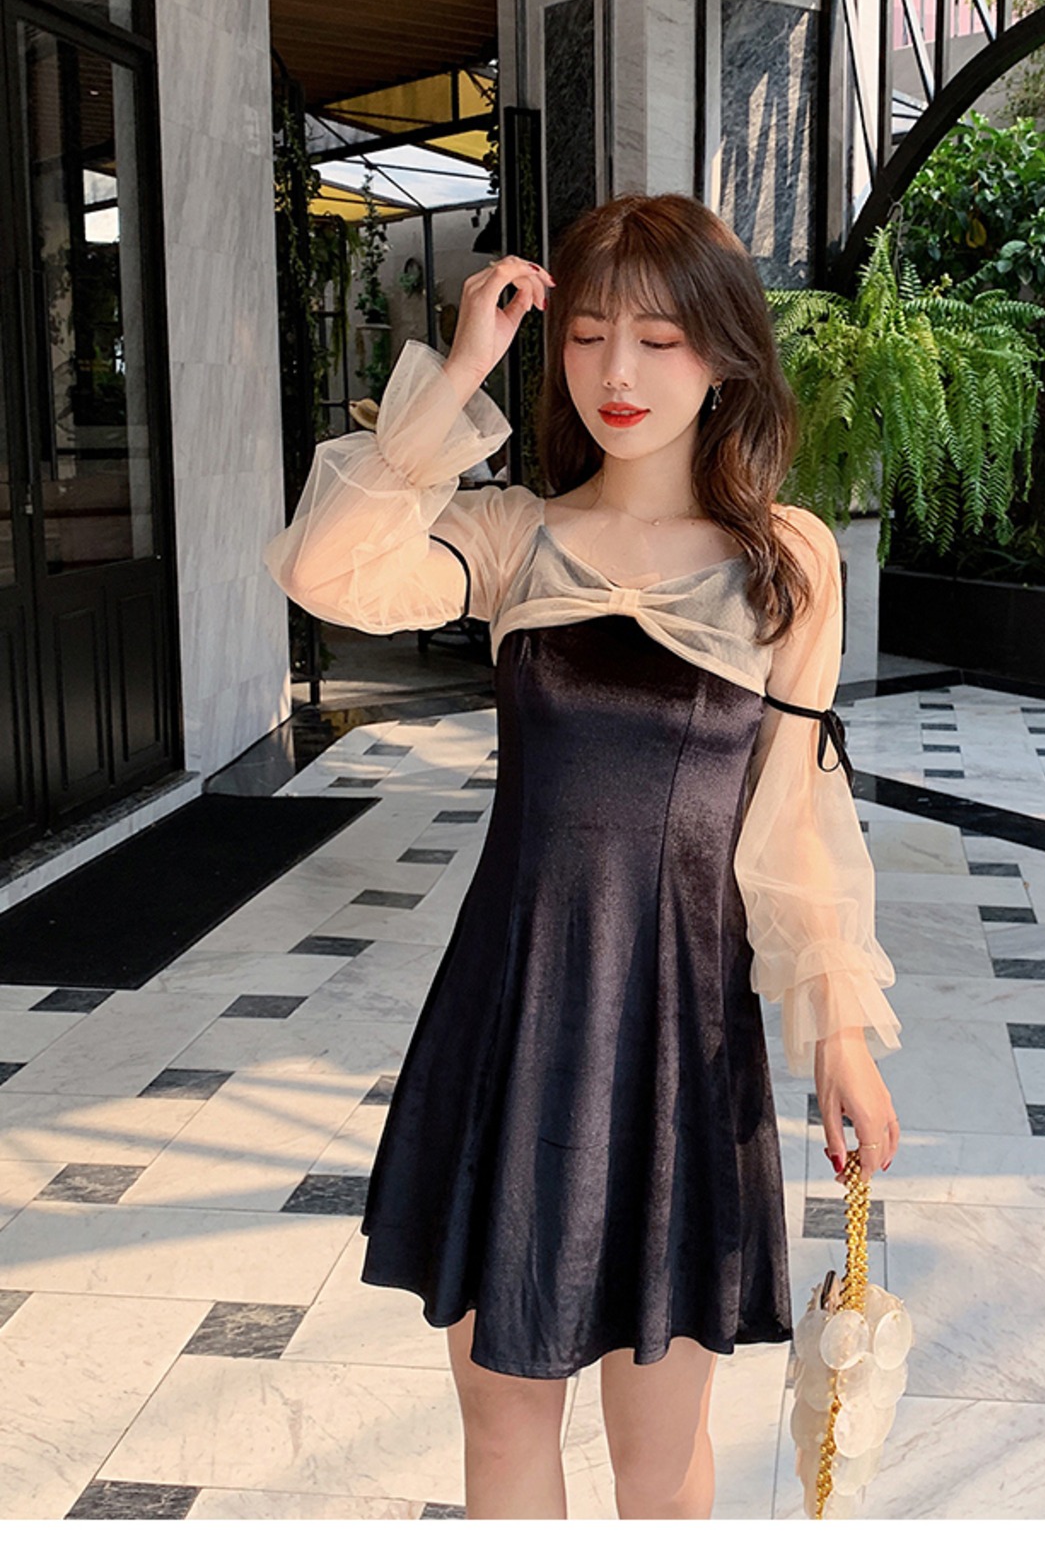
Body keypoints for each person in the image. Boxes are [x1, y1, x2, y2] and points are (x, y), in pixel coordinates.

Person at [262, 192, 902, 1520]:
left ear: (724, 356)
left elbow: (795, 814)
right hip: (514, 1017)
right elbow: (326, 567)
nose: (619, 371)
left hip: (681, 1035)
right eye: (591, 333)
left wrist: (840, 1030)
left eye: (660, 340)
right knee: (503, 1428)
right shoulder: (515, 538)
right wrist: (455, 377)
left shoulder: (787, 561)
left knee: (658, 1457)